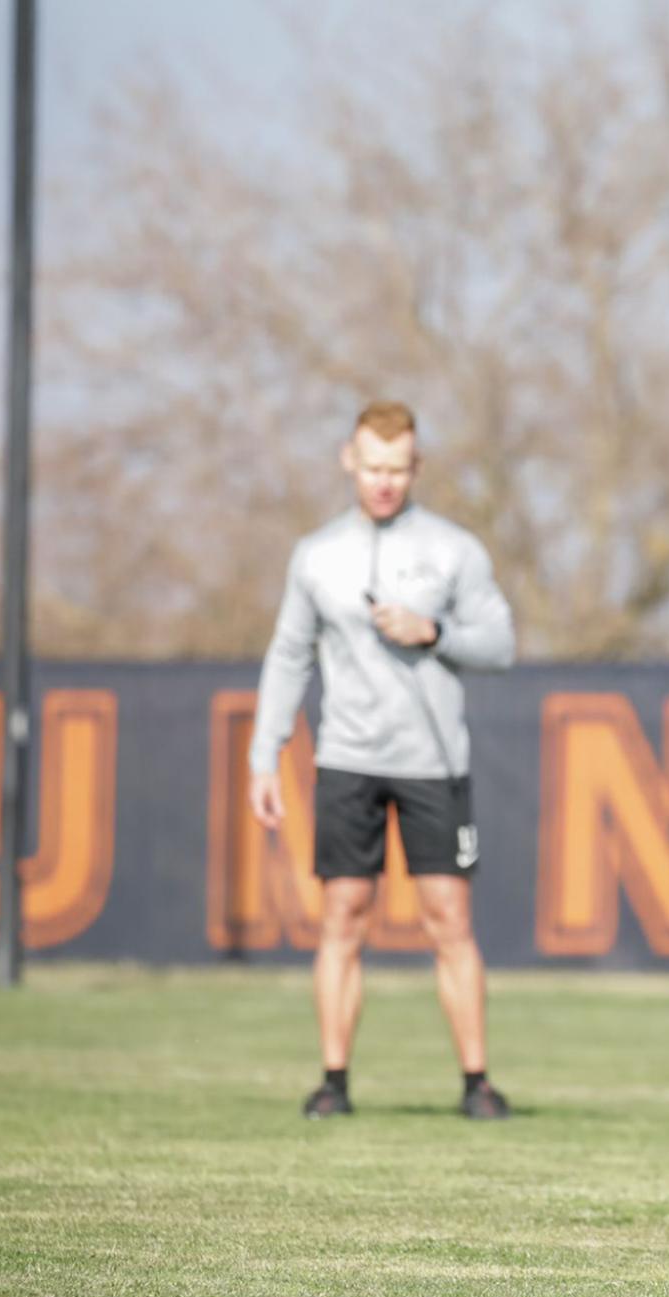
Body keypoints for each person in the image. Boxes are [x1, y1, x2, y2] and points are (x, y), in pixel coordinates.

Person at [250, 400, 517, 1122]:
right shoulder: (317, 555)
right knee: (342, 916)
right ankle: (333, 1082)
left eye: (398, 469)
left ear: (416, 467)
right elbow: (287, 656)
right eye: (373, 467)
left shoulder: (453, 549)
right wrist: (264, 754)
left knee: (448, 921)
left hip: (434, 763)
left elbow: (500, 643)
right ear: (350, 460)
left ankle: (477, 1083)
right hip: (347, 760)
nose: (384, 482)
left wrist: (433, 630)